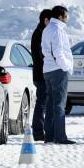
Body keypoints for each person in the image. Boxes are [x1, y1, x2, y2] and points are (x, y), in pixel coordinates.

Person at [41, 5, 75, 144]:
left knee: (50, 104)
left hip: (47, 70)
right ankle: (61, 137)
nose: (67, 19)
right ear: (60, 17)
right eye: (66, 16)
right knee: (59, 105)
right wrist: (65, 67)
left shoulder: (47, 29)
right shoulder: (58, 30)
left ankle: (49, 136)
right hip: (58, 70)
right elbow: (58, 52)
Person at [31, 9, 51, 141]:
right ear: (46, 20)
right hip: (41, 74)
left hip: (41, 73)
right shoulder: (40, 33)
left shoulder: (41, 32)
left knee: (43, 103)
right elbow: (39, 56)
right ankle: (38, 132)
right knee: (42, 103)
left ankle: (40, 131)